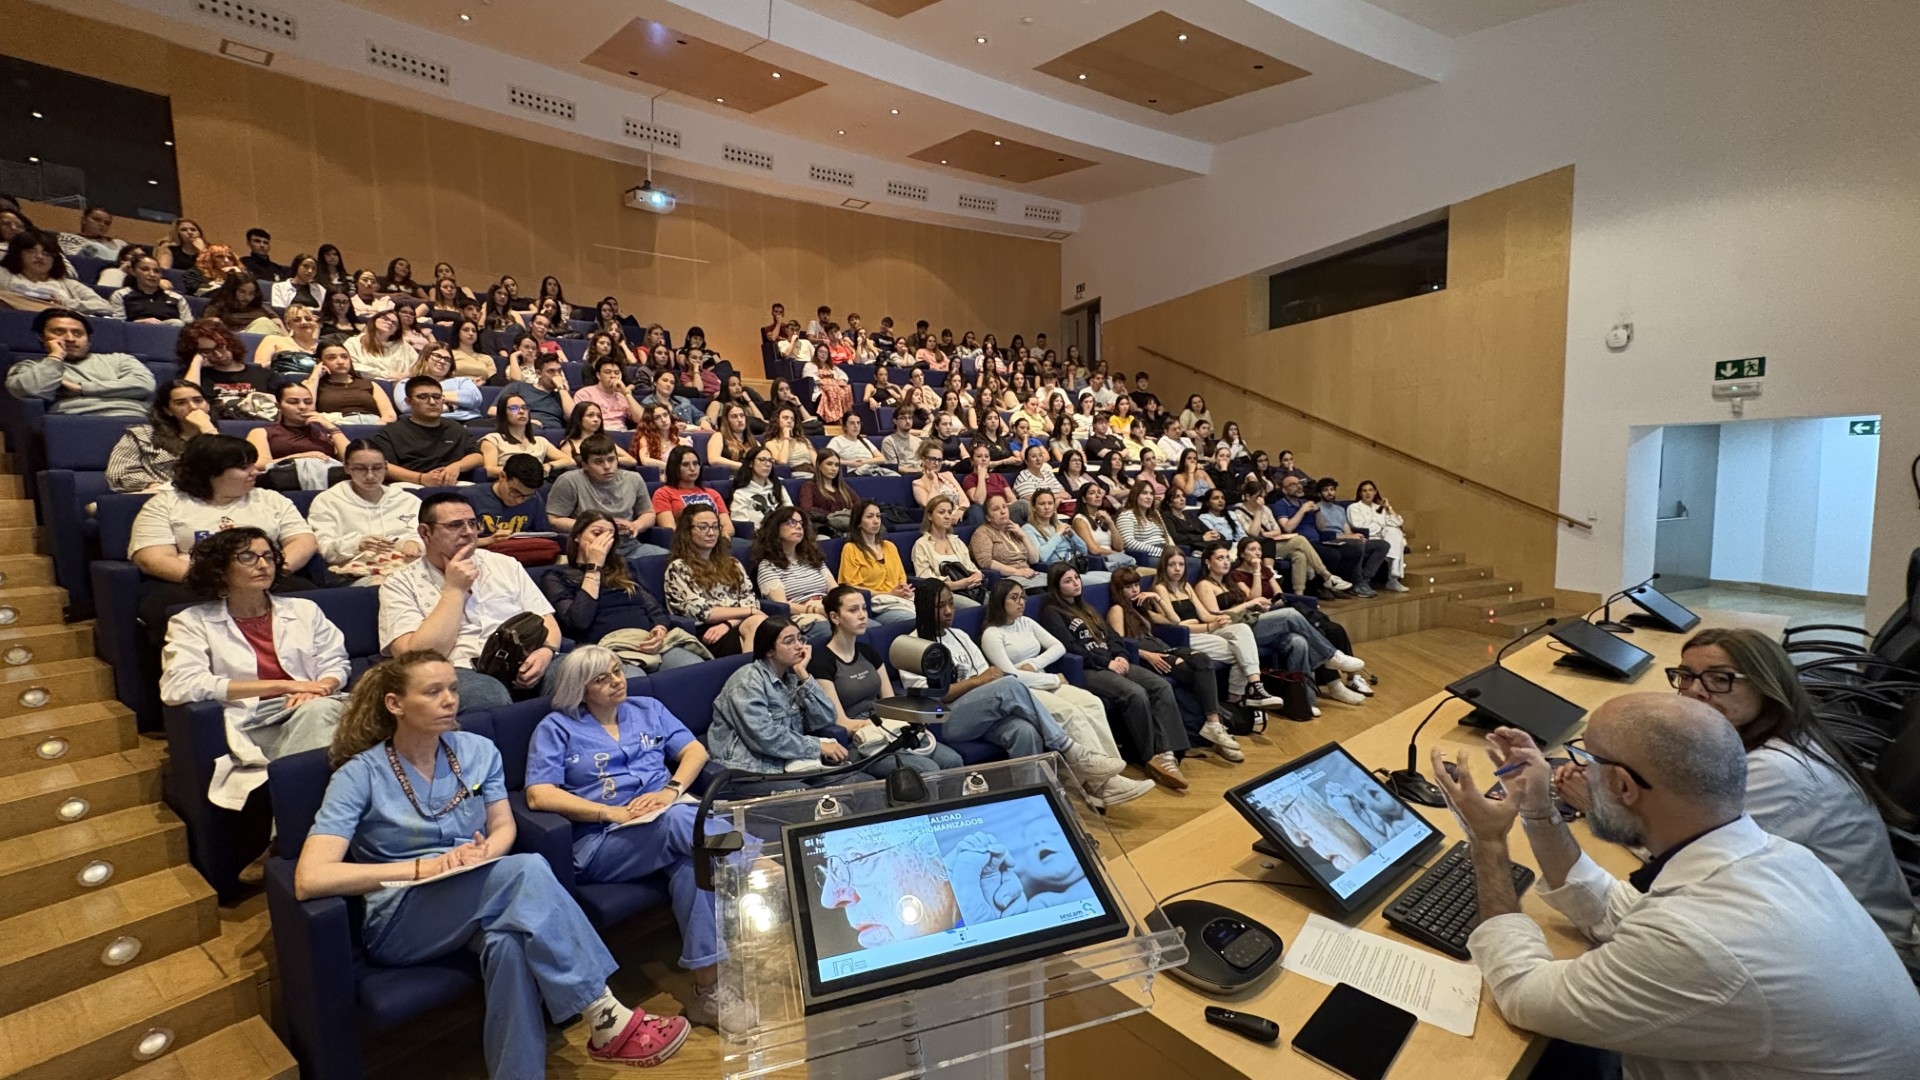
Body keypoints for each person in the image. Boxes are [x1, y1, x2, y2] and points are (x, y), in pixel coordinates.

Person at [1436, 695, 1920, 1080]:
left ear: (1623, 786)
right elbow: (1616, 909)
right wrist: (1538, 810)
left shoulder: (1698, 940)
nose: (1578, 770)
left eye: (1587, 759)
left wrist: (1488, 842)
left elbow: (1521, 992)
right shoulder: (1779, 857)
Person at [297, 653, 689, 1074]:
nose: (450, 700)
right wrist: (424, 868)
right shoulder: (359, 774)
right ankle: (605, 1015)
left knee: (509, 945)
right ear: (395, 704)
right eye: (433, 692)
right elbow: (311, 878)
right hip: (402, 916)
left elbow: (502, 826)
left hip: (477, 891)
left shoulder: (478, 751)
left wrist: (485, 854)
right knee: (526, 869)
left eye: (452, 688)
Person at [1554, 628, 1920, 972]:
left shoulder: (1777, 771)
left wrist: (1600, 805)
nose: (1695, 692)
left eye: (1719, 679)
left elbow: (1684, 854)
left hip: (1862, 955)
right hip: (1813, 927)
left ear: (1766, 686)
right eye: (1686, 676)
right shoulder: (1770, 736)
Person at [522, 647, 747, 1031]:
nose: (617, 681)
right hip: (603, 841)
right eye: (602, 679)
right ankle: (758, 865)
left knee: (694, 867)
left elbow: (694, 751)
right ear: (581, 689)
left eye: (617, 671)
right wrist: (610, 812)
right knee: (686, 825)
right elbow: (538, 795)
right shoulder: (557, 728)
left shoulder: (647, 708)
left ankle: (707, 992)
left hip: (668, 819)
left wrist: (671, 790)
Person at [159, 527, 347, 810]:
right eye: (248, 557)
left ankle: (294, 824)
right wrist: (285, 686)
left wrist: (320, 689)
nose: (263, 564)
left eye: (268, 557)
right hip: (256, 718)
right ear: (220, 569)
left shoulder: (304, 610)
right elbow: (179, 685)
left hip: (316, 702)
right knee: (330, 723)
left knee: (330, 712)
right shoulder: (191, 622)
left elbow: (336, 662)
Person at [902, 579, 1129, 799]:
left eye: (951, 603)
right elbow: (932, 697)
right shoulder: (911, 645)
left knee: (1024, 731)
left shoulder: (959, 635)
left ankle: (1032, 797)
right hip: (946, 719)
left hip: (981, 710)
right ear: (924, 608)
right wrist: (975, 682)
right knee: (1009, 685)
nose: (949, 611)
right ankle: (1070, 749)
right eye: (940, 606)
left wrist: (982, 681)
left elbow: (990, 674)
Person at [378, 492, 560, 708]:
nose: (468, 532)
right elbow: (414, 659)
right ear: (425, 533)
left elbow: (547, 622)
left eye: (472, 523)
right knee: (486, 695)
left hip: (524, 659)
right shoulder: (399, 583)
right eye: (455, 525)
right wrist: (454, 590)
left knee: (585, 668)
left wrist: (546, 651)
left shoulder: (506, 564)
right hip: (458, 668)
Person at [981, 580, 1153, 806]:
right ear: (999, 601)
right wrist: (1051, 678)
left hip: (1042, 678)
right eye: (1014, 598)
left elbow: (1058, 647)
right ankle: (1100, 784)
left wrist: (1034, 664)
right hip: (1024, 690)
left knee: (1092, 703)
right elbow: (1011, 676)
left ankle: (1110, 777)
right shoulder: (992, 634)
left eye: (1022, 596)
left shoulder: (1027, 622)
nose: (1021, 602)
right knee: (1070, 712)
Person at [1039, 565, 1192, 790]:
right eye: (1068, 581)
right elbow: (1069, 648)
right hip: (1089, 669)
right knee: (1135, 693)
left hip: (1114, 661)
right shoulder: (1052, 612)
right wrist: (1106, 663)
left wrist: (1120, 655)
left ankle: (1169, 751)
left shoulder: (1087, 607)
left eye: (1076, 578)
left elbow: (1113, 637)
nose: (1076, 583)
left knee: (1159, 685)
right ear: (1056, 586)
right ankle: (1149, 755)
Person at [808, 585, 963, 779]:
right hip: (863, 742)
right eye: (853, 610)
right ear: (834, 617)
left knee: (953, 761)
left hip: (890, 729)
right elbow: (842, 722)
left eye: (864, 608)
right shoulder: (822, 662)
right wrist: (878, 725)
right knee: (927, 769)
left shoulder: (869, 652)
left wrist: (905, 721)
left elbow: (890, 703)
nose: (863, 615)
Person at [1105, 566, 1243, 760]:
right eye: (1129, 587)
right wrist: (1147, 655)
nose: (1135, 590)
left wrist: (1156, 599)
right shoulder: (1117, 610)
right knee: (1195, 674)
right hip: (1150, 656)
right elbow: (1119, 643)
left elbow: (1174, 620)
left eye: (1136, 585)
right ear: (1119, 590)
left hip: (1165, 648)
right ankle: (1214, 723)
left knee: (1203, 660)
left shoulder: (1140, 608)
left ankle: (1213, 722)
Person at [540, 515, 701, 671]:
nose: (604, 541)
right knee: (632, 678)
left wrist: (660, 629)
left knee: (693, 665)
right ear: (577, 536)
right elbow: (579, 621)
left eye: (610, 535)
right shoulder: (556, 576)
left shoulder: (623, 568)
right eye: (597, 533)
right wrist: (594, 567)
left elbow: (654, 608)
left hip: (646, 640)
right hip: (607, 649)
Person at [1227, 536, 1372, 702]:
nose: (1258, 553)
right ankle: (1331, 661)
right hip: (1257, 619)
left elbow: (1279, 595)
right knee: (1297, 619)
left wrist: (1270, 601)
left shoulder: (1267, 570)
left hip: (1274, 611)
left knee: (1308, 638)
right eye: (1252, 549)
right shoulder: (1236, 574)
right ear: (1242, 554)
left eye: (1259, 549)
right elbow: (1254, 597)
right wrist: (1257, 572)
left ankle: (1306, 697)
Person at [1150, 548, 1292, 711]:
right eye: (1172, 565)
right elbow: (1175, 625)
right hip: (1186, 637)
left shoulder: (1186, 586)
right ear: (1164, 566)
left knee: (1242, 629)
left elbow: (1204, 615)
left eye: (1181, 564)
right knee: (1241, 651)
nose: (1177, 569)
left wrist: (1220, 618)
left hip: (1202, 629)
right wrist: (1209, 626)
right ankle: (1237, 699)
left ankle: (1253, 687)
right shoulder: (1160, 588)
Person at [307, 440, 423, 585]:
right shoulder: (327, 500)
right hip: (357, 573)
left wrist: (416, 543)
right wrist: (356, 544)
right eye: (360, 468)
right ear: (347, 468)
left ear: (386, 467)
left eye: (377, 468)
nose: (370, 476)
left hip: (408, 566)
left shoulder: (406, 500)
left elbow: (431, 535)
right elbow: (323, 548)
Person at [6, 308, 153, 416]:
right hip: (77, 425)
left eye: (78, 333)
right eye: (59, 332)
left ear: (88, 340)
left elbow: (144, 385)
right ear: (42, 337)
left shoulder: (119, 359)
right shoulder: (30, 367)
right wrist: (55, 357)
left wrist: (81, 388)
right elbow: (31, 391)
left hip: (137, 419)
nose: (70, 339)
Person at [547, 435, 665, 559]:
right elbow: (554, 520)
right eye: (598, 462)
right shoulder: (569, 481)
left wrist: (636, 525)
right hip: (591, 548)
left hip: (629, 546)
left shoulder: (634, 479)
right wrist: (594, 526)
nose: (607, 466)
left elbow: (648, 514)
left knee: (670, 559)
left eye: (611, 459)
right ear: (584, 465)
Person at [107, 380, 219, 493]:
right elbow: (119, 473)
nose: (193, 407)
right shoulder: (142, 435)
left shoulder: (220, 437)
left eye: (198, 400)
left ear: (208, 405)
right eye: (181, 403)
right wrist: (153, 485)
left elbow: (227, 468)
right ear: (168, 410)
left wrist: (207, 429)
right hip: (160, 495)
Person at [369, 376, 484, 486]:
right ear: (408, 401)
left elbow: (477, 456)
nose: (432, 402)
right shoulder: (391, 432)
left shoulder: (455, 428)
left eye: (437, 397)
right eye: (423, 397)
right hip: (410, 485)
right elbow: (383, 465)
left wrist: (457, 466)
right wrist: (420, 478)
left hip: (453, 483)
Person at [750, 505, 837, 644]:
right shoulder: (768, 565)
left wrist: (837, 606)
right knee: (826, 630)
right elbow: (782, 606)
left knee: (866, 625)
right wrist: (815, 609)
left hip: (827, 608)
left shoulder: (813, 558)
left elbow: (835, 591)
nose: (798, 527)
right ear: (776, 528)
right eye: (791, 522)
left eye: (801, 523)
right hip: (802, 616)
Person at [248, 381, 348, 484]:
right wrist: (298, 457)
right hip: (285, 483)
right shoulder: (262, 432)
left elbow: (350, 461)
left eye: (308, 402)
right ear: (278, 406)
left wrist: (332, 429)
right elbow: (259, 464)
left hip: (330, 482)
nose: (302, 407)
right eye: (293, 402)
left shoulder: (325, 432)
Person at [836, 500, 918, 626]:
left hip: (899, 599)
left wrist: (904, 588)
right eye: (870, 517)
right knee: (913, 618)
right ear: (858, 523)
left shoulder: (889, 546)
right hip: (875, 605)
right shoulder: (851, 549)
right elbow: (850, 587)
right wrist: (888, 593)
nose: (876, 521)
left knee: (931, 612)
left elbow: (901, 578)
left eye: (878, 516)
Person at [465, 454, 556, 562]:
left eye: (527, 496)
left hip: (520, 558)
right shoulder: (470, 497)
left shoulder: (535, 499)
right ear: (502, 476)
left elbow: (544, 536)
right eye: (515, 491)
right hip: (480, 558)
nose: (519, 500)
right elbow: (453, 543)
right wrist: (489, 540)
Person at [1313, 478, 1397, 591]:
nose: (1329, 493)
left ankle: (1365, 579)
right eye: (1325, 490)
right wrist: (1350, 537)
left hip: (1345, 540)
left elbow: (1347, 530)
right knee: (1357, 545)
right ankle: (1357, 582)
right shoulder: (1317, 508)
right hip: (1331, 541)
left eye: (1332, 489)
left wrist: (1356, 536)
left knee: (1383, 545)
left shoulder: (1339, 509)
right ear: (1319, 493)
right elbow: (1322, 531)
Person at [0, 230, 110, 315]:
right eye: (31, 251)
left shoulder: (69, 284)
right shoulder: (3, 274)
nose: (39, 257)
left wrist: (65, 303)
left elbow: (105, 307)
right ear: (18, 254)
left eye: (46, 253)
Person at [912, 494, 985, 609]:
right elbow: (926, 581)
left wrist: (977, 575)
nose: (947, 516)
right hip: (944, 593)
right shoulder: (921, 544)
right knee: (976, 608)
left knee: (998, 602)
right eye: (941, 512)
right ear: (930, 516)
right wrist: (958, 585)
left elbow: (970, 567)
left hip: (969, 588)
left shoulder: (956, 541)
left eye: (949, 512)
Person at [305, 336, 395, 424]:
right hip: (336, 426)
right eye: (332, 358)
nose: (340, 362)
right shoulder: (314, 384)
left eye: (344, 357)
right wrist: (315, 375)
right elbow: (306, 409)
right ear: (320, 362)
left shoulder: (370, 384)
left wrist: (375, 427)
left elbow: (390, 415)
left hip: (375, 424)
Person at [480, 391, 568, 479]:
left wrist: (550, 465)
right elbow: (489, 471)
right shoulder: (493, 439)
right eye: (514, 408)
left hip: (536, 483)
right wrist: (525, 471)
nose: (521, 411)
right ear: (503, 413)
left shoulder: (540, 441)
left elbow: (569, 460)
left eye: (524, 407)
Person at [971, 492, 1047, 590]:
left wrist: (1024, 536)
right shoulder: (982, 533)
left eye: (1004, 507)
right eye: (996, 509)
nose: (1003, 511)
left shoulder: (1014, 529)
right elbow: (986, 562)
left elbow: (1034, 560)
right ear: (988, 517)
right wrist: (1017, 572)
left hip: (1029, 575)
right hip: (1007, 580)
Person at [394, 344, 485, 425]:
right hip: (430, 423)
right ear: (425, 358)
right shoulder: (406, 383)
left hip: (469, 420)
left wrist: (426, 396)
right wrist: (450, 406)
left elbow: (475, 398)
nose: (442, 361)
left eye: (447, 359)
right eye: (437, 356)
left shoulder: (461, 381)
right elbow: (406, 407)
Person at [652, 444, 731, 534]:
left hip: (715, 537)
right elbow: (670, 529)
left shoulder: (712, 493)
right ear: (674, 468)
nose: (692, 468)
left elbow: (728, 526)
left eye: (696, 463)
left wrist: (723, 537)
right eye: (685, 465)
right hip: (686, 539)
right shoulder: (663, 493)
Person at [1347, 480, 1409, 589]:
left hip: (1383, 536)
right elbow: (1358, 525)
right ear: (1360, 493)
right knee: (1393, 536)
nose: (1368, 493)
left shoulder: (1378, 508)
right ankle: (1393, 577)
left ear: (1375, 492)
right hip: (1368, 537)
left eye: (1370, 490)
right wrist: (1381, 529)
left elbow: (1398, 522)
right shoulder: (1354, 507)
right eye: (1364, 491)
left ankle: (1393, 576)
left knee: (1395, 532)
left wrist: (1388, 507)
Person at [499, 353, 575, 434]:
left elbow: (573, 417)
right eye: (551, 371)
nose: (557, 375)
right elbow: (494, 411)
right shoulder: (518, 387)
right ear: (538, 373)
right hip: (526, 430)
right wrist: (527, 421)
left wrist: (561, 388)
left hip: (554, 433)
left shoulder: (562, 395)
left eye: (559, 371)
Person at [109, 251, 190, 324]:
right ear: (133, 272)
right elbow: (117, 324)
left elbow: (188, 326)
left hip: (170, 332)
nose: (152, 274)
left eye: (156, 271)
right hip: (135, 332)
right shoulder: (121, 295)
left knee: (177, 323)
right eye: (145, 269)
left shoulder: (177, 298)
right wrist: (137, 323)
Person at [728, 444, 791, 534]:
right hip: (760, 537)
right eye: (762, 460)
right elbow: (743, 527)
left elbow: (791, 513)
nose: (768, 464)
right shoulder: (741, 493)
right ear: (751, 463)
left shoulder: (778, 487)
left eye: (770, 461)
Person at [59, 206, 125, 262]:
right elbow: (71, 259)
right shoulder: (68, 237)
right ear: (84, 220)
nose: (102, 225)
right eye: (97, 220)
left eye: (107, 223)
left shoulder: (120, 243)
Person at [880, 406, 921, 473]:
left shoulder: (919, 441)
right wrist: (914, 471)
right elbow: (893, 467)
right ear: (895, 421)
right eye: (903, 418)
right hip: (902, 475)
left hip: (920, 473)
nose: (908, 421)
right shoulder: (888, 441)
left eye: (910, 418)